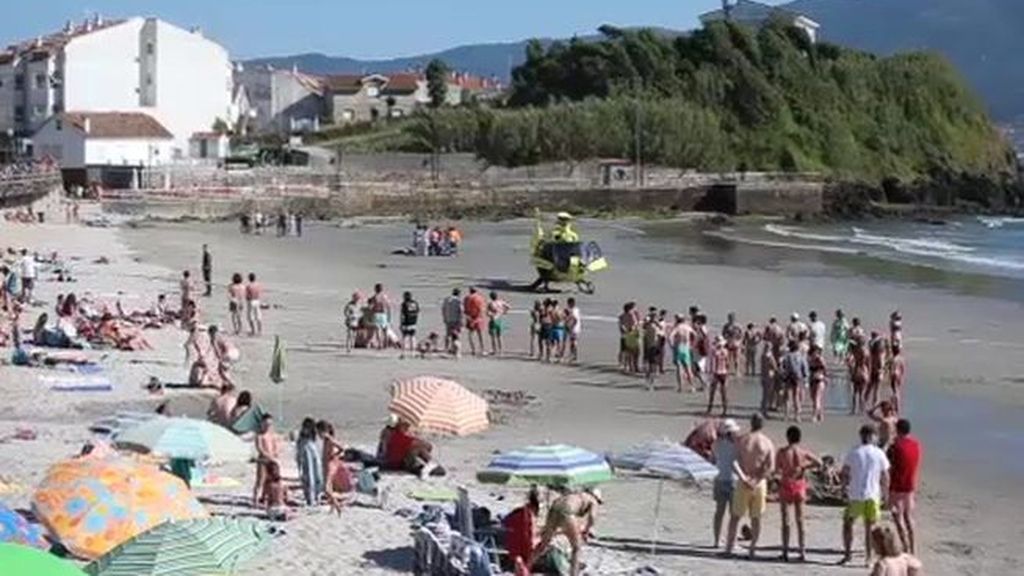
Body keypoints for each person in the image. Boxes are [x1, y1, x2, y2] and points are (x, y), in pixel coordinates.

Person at [725, 413, 775, 559]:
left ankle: (729, 547)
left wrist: (743, 478)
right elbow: (770, 467)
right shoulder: (767, 442)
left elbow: (733, 462)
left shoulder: (742, 440)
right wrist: (757, 479)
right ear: (762, 425)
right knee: (756, 517)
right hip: (759, 484)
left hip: (743, 480)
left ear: (751, 423)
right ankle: (752, 548)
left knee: (735, 516)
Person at [841, 424, 891, 567]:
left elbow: (844, 472)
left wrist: (843, 488)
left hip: (856, 495)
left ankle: (848, 555)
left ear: (862, 436)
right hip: (873, 495)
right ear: (872, 437)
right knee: (870, 527)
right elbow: (885, 476)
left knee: (848, 524)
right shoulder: (879, 453)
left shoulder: (854, 452)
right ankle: (868, 558)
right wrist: (886, 493)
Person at [776, 425, 822, 562]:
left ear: (787, 437)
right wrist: (803, 467)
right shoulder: (802, 452)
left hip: (786, 485)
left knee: (786, 520)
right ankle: (802, 551)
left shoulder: (782, 452)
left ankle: (785, 551)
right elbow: (819, 462)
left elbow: (777, 469)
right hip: (799, 485)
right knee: (800, 519)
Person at [535, 488, 602, 576]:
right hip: (567, 511)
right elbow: (592, 518)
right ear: (596, 497)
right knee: (577, 548)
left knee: (543, 544)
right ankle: (573, 574)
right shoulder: (592, 500)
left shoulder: (576, 495)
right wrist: (586, 530)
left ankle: (526, 567)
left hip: (555, 506)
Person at [888, 419, 922, 555]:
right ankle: (912, 548)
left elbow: (888, 463)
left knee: (897, 516)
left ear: (897, 430)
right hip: (910, 485)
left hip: (896, 485)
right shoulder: (916, 445)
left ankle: (905, 545)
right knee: (908, 517)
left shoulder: (895, 446)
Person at [710, 419, 740, 548]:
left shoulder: (716, 444)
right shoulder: (735, 446)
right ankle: (731, 541)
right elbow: (737, 462)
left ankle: (717, 540)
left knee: (719, 512)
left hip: (719, 478)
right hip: (732, 480)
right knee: (734, 513)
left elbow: (713, 459)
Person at [503, 486, 542, 571]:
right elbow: (530, 538)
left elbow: (506, 523)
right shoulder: (529, 517)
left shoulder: (521, 512)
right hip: (525, 550)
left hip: (513, 547)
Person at [254, 414, 282, 508]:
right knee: (260, 480)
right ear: (262, 423)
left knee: (271, 480)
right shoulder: (259, 435)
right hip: (263, 460)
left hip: (272, 460)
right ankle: (255, 500)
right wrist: (268, 456)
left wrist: (275, 454)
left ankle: (265, 498)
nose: (267, 426)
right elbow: (260, 448)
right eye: (266, 424)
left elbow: (276, 446)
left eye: (269, 424)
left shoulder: (272, 435)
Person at [296, 417, 324, 507]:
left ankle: (317, 497)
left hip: (314, 455)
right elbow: (299, 452)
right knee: (309, 478)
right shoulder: (301, 439)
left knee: (318, 476)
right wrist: (299, 462)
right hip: (306, 456)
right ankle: (310, 499)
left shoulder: (313, 437)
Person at [780, 340, 809, 422]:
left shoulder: (787, 356)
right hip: (798, 378)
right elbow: (805, 368)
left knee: (788, 398)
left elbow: (783, 367)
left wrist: (783, 376)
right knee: (796, 397)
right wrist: (806, 379)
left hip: (788, 377)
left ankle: (786, 415)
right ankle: (797, 416)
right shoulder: (801, 356)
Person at [670, 314, 696, 393]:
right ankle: (692, 386)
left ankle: (681, 387)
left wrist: (672, 345)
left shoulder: (678, 327)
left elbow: (671, 336)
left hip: (679, 347)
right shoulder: (687, 327)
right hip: (686, 347)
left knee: (679, 368)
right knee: (688, 368)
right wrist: (692, 344)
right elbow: (695, 334)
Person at [706, 336, 730, 415]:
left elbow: (711, 363)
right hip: (724, 373)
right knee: (724, 393)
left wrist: (709, 372)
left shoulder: (714, 351)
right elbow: (727, 364)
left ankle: (710, 409)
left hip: (716, 373)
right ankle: (725, 410)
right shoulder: (726, 351)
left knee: (712, 392)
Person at [462, 287, 487, 356]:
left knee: (470, 334)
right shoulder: (480, 298)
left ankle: (473, 349)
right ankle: (482, 349)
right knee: (480, 334)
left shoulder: (466, 298)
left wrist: (468, 316)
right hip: (478, 317)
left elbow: (465, 309)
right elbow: (482, 309)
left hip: (470, 317)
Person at [643, 308, 663, 390]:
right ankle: (650, 381)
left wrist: (655, 322)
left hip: (653, 345)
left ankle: (651, 381)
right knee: (650, 364)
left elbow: (660, 329)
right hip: (650, 345)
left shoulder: (654, 325)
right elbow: (644, 327)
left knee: (652, 364)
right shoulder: (649, 325)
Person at [618, 302, 641, 374]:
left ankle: (626, 366)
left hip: (624, 335)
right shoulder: (632, 315)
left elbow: (621, 326)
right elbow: (634, 325)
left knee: (626, 351)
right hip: (632, 335)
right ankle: (634, 367)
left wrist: (625, 330)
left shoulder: (621, 316)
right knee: (635, 352)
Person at [367, 283, 391, 349]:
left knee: (378, 330)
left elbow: (370, 306)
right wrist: (389, 316)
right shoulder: (385, 297)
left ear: (376, 289)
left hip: (376, 314)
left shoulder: (375, 297)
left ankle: (380, 344)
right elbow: (388, 306)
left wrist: (369, 314)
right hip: (384, 314)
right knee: (385, 330)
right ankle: (385, 344)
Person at [487, 291, 510, 357]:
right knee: (499, 336)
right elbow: (508, 306)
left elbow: (488, 313)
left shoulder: (491, 303)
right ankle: (501, 350)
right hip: (500, 319)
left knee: (493, 336)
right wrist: (504, 311)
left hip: (493, 319)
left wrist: (490, 314)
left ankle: (494, 350)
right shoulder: (501, 302)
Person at [808, 344, 828, 422]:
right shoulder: (810, 359)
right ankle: (820, 414)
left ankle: (814, 415)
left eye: (816, 352)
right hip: (812, 379)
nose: (815, 354)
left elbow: (825, 368)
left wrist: (826, 377)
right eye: (813, 352)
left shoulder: (820, 359)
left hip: (820, 379)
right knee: (813, 399)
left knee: (817, 398)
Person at [442, 288, 463, 356]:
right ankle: (456, 350)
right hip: (456, 320)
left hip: (448, 319)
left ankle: (446, 348)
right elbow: (461, 310)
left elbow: (443, 309)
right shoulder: (458, 301)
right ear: (459, 294)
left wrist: (444, 317)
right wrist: (461, 320)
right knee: (456, 335)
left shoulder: (446, 299)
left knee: (448, 335)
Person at [760, 342, 779, 416]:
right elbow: (774, 366)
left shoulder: (762, 355)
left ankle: (763, 408)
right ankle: (765, 410)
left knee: (764, 394)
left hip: (763, 376)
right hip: (770, 376)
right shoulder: (770, 356)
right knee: (768, 394)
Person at [399, 291, 420, 358]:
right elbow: (418, 311)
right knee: (412, 337)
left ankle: (403, 353)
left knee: (404, 338)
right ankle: (413, 353)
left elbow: (402, 315)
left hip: (406, 322)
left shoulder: (404, 304)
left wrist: (401, 324)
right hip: (413, 322)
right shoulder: (415, 303)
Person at [888, 342, 907, 414]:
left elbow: (890, 368)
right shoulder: (901, 359)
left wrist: (890, 376)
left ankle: (895, 406)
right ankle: (897, 407)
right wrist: (902, 376)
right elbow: (903, 368)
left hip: (894, 374)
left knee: (894, 391)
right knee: (897, 390)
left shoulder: (893, 359)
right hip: (899, 374)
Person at [565, 297, 581, 363]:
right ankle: (574, 354)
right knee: (574, 341)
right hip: (577, 328)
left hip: (573, 328)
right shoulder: (577, 309)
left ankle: (573, 355)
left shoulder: (572, 311)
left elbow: (575, 319)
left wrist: (570, 326)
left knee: (573, 342)